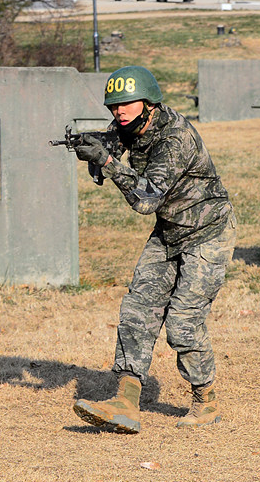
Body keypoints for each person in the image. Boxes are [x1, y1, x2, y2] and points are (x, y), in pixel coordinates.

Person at [71, 66, 237, 434]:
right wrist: (93, 153)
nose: (119, 112)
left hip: (208, 233)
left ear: (149, 103)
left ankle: (205, 401)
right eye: (114, 106)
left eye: (127, 104)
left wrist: (108, 163)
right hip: (170, 231)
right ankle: (125, 402)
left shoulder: (175, 139)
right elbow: (110, 145)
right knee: (137, 309)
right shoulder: (127, 127)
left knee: (182, 323)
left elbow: (146, 199)